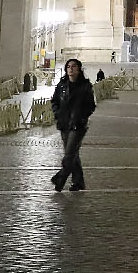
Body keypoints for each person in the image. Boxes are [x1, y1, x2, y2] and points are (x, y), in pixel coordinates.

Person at [49, 59, 96, 192]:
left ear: (79, 69)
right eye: (68, 66)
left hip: (78, 125)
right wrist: (57, 113)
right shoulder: (62, 85)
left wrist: (81, 117)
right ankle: (78, 182)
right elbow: (55, 101)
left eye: (74, 66)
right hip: (64, 124)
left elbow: (91, 105)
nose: (71, 69)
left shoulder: (86, 86)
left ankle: (60, 177)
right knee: (73, 154)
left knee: (69, 154)